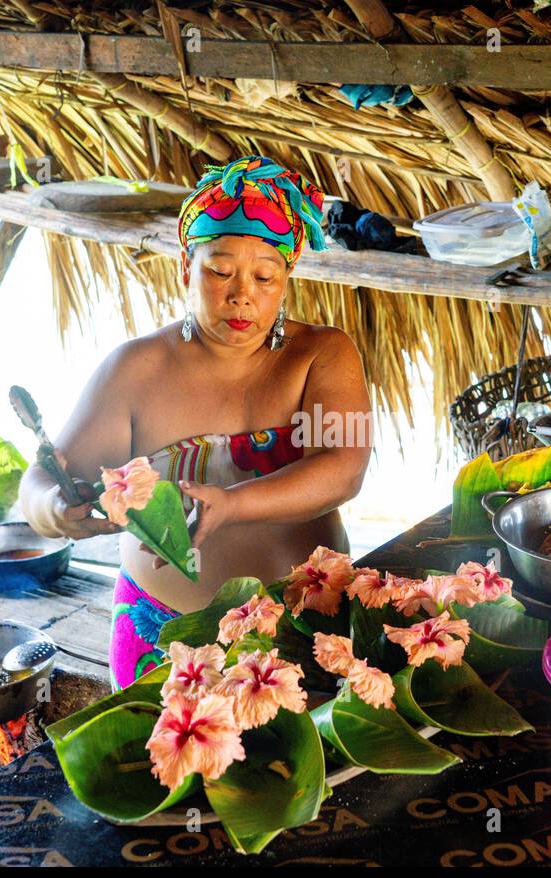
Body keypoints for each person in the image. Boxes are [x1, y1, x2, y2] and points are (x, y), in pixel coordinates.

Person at [20, 156, 372, 689]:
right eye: (220, 270)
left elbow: (344, 470)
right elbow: (43, 478)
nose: (242, 294)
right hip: (163, 635)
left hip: (304, 627)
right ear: (187, 267)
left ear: (286, 279)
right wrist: (55, 510)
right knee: (163, 769)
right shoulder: (136, 368)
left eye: (264, 276)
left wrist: (233, 503)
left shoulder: (320, 355)